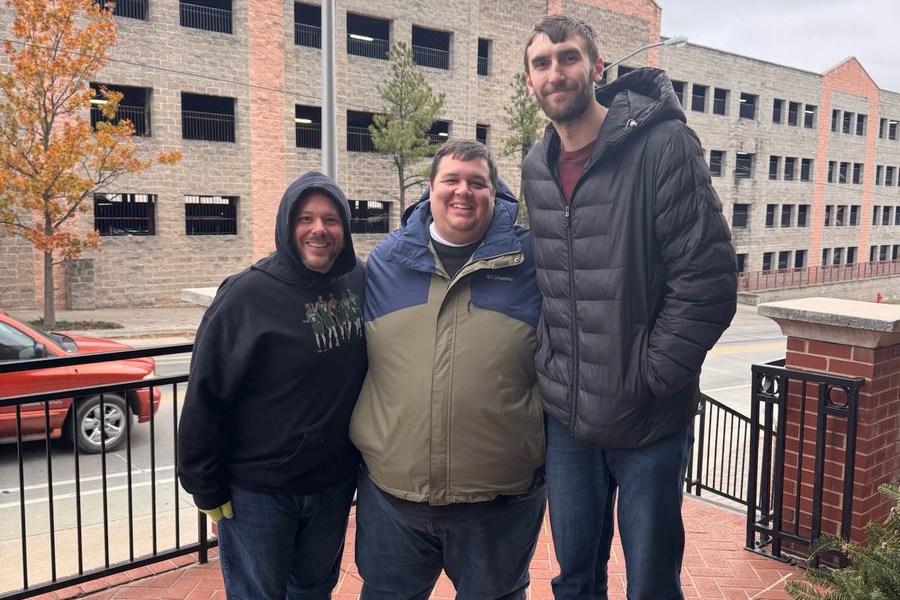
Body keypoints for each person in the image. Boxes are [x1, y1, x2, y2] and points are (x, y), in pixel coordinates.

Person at [520, 15, 738, 600]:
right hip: (568, 418)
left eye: (567, 57)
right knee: (574, 577)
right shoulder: (536, 166)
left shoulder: (662, 144)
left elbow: (709, 278)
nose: (555, 72)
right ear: (529, 81)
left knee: (650, 581)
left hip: (647, 418)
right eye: (541, 63)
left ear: (596, 67)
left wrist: (653, 374)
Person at [350, 139, 546, 600]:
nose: (464, 191)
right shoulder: (385, 262)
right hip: (392, 499)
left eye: (478, 182)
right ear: (430, 190)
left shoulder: (533, 262)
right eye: (451, 180)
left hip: (498, 504)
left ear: (495, 194)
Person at [177, 171, 367, 599]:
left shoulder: (358, 281)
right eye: (305, 218)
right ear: (286, 225)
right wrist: (203, 483)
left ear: (345, 229)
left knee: (315, 591)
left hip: (333, 483)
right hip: (257, 492)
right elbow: (207, 393)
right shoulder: (246, 295)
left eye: (331, 220)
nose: (319, 229)